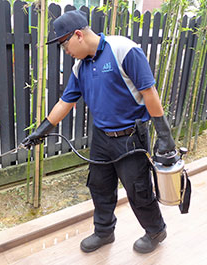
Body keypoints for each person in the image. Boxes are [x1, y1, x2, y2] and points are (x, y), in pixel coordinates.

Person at [22, 10, 176, 254]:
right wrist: (42, 130)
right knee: (100, 186)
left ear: (78, 35)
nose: (66, 51)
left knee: (138, 189)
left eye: (64, 45)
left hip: (130, 138)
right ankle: (104, 232)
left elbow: (149, 93)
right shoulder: (79, 67)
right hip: (101, 137)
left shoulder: (124, 50)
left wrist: (165, 137)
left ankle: (156, 230)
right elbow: (65, 102)